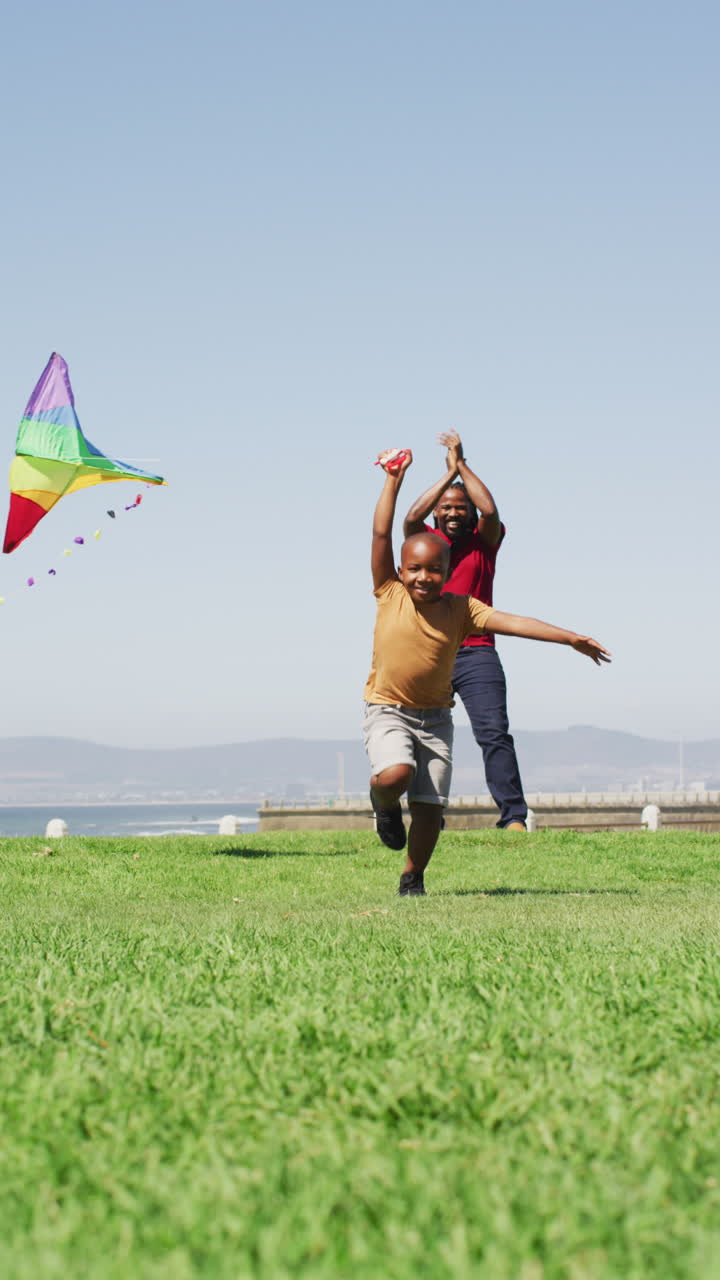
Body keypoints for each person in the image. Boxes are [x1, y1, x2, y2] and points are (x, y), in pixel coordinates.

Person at [365, 448, 610, 896]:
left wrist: (569, 637)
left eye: (434, 571)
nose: (423, 578)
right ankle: (382, 806)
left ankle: (412, 875)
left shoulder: (463, 606)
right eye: (414, 570)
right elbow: (385, 530)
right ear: (401, 571)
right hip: (390, 708)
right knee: (395, 775)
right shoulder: (390, 592)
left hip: (437, 714)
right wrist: (393, 481)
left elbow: (514, 622)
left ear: (446, 571)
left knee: (429, 806)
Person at [403, 430, 527, 830]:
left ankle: (513, 817)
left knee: (494, 734)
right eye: (447, 508)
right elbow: (408, 518)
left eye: (461, 507)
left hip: (477, 652)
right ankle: (428, 819)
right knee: (424, 739)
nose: (454, 513)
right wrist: (446, 477)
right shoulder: (427, 543)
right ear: (437, 513)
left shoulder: (484, 541)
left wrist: (461, 464)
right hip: (431, 651)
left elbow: (490, 510)